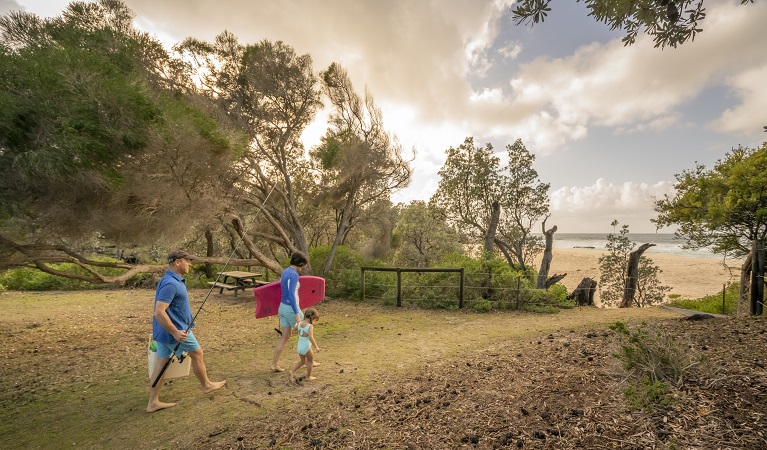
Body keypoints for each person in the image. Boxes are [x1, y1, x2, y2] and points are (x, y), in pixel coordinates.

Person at [147, 249, 226, 413]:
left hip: (164, 333)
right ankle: (206, 385)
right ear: (177, 262)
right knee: (197, 353)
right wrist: (175, 332)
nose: (190, 264)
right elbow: (159, 311)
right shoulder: (170, 283)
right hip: (175, 333)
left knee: (162, 363)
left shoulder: (171, 279)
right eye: (187, 260)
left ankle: (153, 402)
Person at [270, 251, 310, 372]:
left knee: (285, 336)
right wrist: (297, 315)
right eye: (303, 265)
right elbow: (292, 295)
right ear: (301, 263)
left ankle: (274, 364)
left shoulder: (285, 271)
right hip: (291, 308)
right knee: (305, 333)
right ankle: (309, 360)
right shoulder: (294, 275)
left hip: (282, 307)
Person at [289, 307, 321, 383]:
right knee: (310, 361)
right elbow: (310, 337)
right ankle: (308, 376)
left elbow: (295, 328)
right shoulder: (310, 326)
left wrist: (297, 322)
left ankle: (292, 371)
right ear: (313, 318)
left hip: (299, 346)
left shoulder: (300, 323)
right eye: (315, 320)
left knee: (302, 361)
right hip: (306, 347)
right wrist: (316, 346)